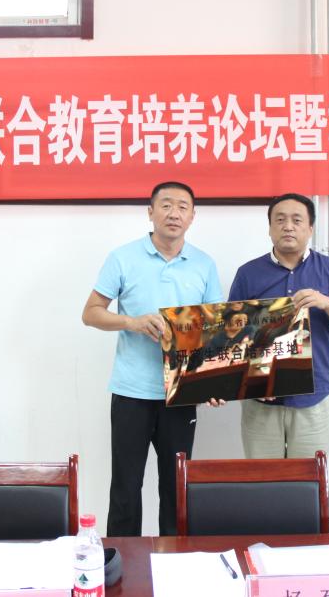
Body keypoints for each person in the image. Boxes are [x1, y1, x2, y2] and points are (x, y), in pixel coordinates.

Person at [81, 181, 223, 536]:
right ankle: (122, 561)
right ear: (150, 212)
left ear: (192, 216)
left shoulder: (204, 264)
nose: (174, 213)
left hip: (182, 393)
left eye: (183, 207)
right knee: (126, 487)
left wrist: (215, 381)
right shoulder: (122, 258)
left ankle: (174, 560)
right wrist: (131, 322)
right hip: (131, 391)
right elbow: (91, 313)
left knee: (176, 488)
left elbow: (215, 330)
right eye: (166, 205)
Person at [228, 193, 329, 459]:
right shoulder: (248, 273)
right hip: (261, 401)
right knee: (263, 479)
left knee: (309, 479)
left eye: (297, 220)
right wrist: (252, 380)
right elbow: (231, 336)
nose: (288, 226)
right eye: (280, 220)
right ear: (270, 228)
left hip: (314, 398)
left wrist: (326, 303)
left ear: (310, 228)